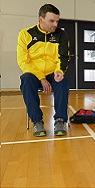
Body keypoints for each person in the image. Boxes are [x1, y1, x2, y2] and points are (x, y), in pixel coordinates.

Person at [17, 4, 70, 136]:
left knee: (63, 82)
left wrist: (59, 72)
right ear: (41, 19)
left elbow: (64, 57)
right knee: (26, 80)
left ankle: (60, 120)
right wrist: (41, 78)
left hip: (53, 72)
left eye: (57, 21)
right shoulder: (25, 34)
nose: (55, 25)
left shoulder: (61, 35)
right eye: (51, 21)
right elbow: (23, 61)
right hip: (34, 74)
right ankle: (37, 121)